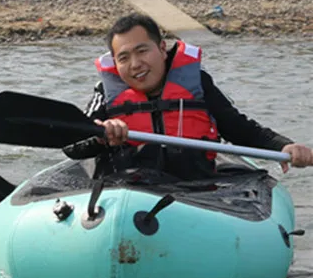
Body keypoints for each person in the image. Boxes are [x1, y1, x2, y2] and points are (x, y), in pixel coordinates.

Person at [65, 11, 312, 179]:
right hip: (127, 190)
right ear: (115, 64)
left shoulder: (197, 84)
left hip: (195, 189)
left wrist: (283, 145)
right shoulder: (105, 93)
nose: (135, 64)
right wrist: (100, 135)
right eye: (124, 58)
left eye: (142, 51)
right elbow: (72, 145)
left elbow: (238, 128)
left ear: (162, 49)